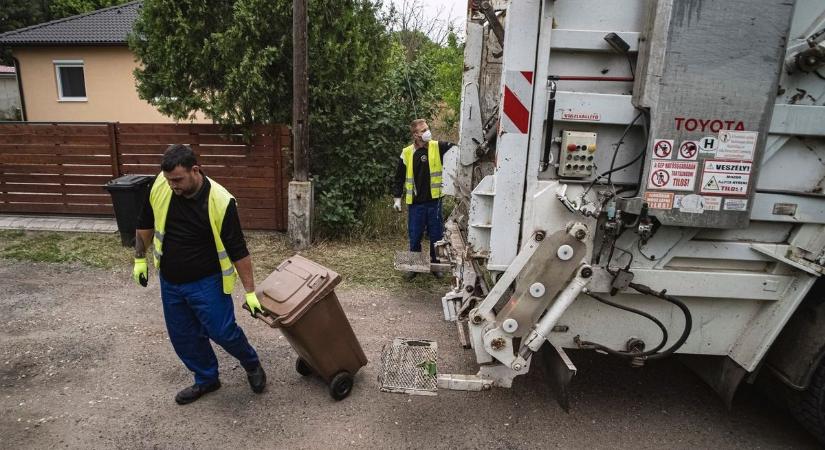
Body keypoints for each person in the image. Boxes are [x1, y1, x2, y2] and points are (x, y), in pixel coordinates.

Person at [132, 144, 267, 405]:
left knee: (223, 332)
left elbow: (238, 249)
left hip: (207, 282)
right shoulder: (161, 184)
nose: (173, 185)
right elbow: (145, 221)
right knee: (183, 335)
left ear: (195, 170)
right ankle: (206, 379)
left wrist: (250, 291)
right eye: (170, 180)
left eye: (178, 180)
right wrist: (139, 258)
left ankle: (251, 363)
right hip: (171, 281)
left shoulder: (220, 200)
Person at [392, 119, 454, 280]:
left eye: (427, 128)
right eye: (423, 130)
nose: (427, 132)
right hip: (416, 204)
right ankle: (414, 267)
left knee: (436, 236)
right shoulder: (407, 152)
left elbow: (457, 150)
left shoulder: (437, 146)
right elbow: (399, 178)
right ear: (415, 135)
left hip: (435, 202)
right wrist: (397, 198)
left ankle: (436, 266)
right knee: (415, 235)